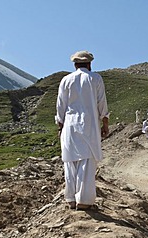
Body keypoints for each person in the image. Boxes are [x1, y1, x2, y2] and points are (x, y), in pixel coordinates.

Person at [55, 50, 109, 211]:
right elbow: (102, 105)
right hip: (89, 125)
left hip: (69, 126)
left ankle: (71, 198)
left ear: (75, 64)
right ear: (89, 64)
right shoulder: (95, 79)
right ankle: (84, 200)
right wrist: (105, 125)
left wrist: (60, 126)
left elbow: (60, 106)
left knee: (71, 161)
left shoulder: (66, 80)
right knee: (87, 161)